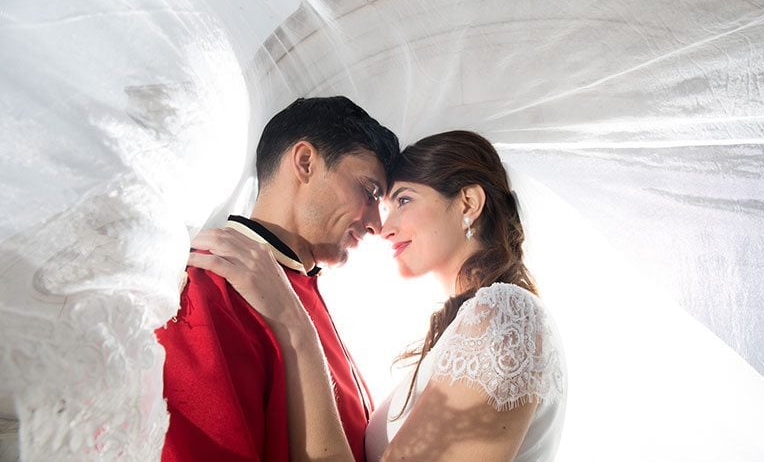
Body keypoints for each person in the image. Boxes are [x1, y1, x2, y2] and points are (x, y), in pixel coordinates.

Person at [191, 130, 567, 462]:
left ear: (468, 203)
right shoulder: (465, 328)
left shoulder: (503, 316)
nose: (384, 228)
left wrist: (295, 329)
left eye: (403, 200)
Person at [156, 96, 400, 462]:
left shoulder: (305, 287)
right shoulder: (211, 284)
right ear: (305, 162)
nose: (375, 224)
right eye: (369, 192)